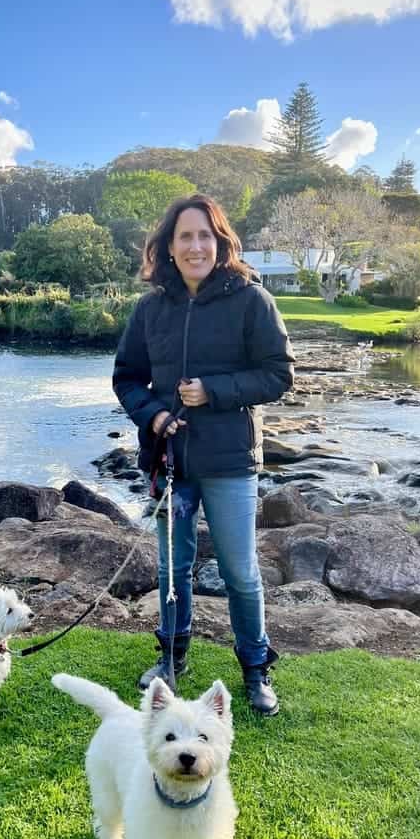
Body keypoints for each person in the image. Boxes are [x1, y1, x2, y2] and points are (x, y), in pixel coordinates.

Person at [112, 194, 295, 715]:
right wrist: (154, 415)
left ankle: (255, 669)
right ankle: (171, 660)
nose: (195, 246)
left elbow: (279, 374)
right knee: (173, 570)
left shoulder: (252, 299)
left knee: (240, 569)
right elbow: (126, 378)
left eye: (204, 236)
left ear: (220, 242)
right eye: (184, 237)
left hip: (231, 461)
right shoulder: (150, 309)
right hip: (171, 463)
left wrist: (214, 390)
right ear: (169, 247)